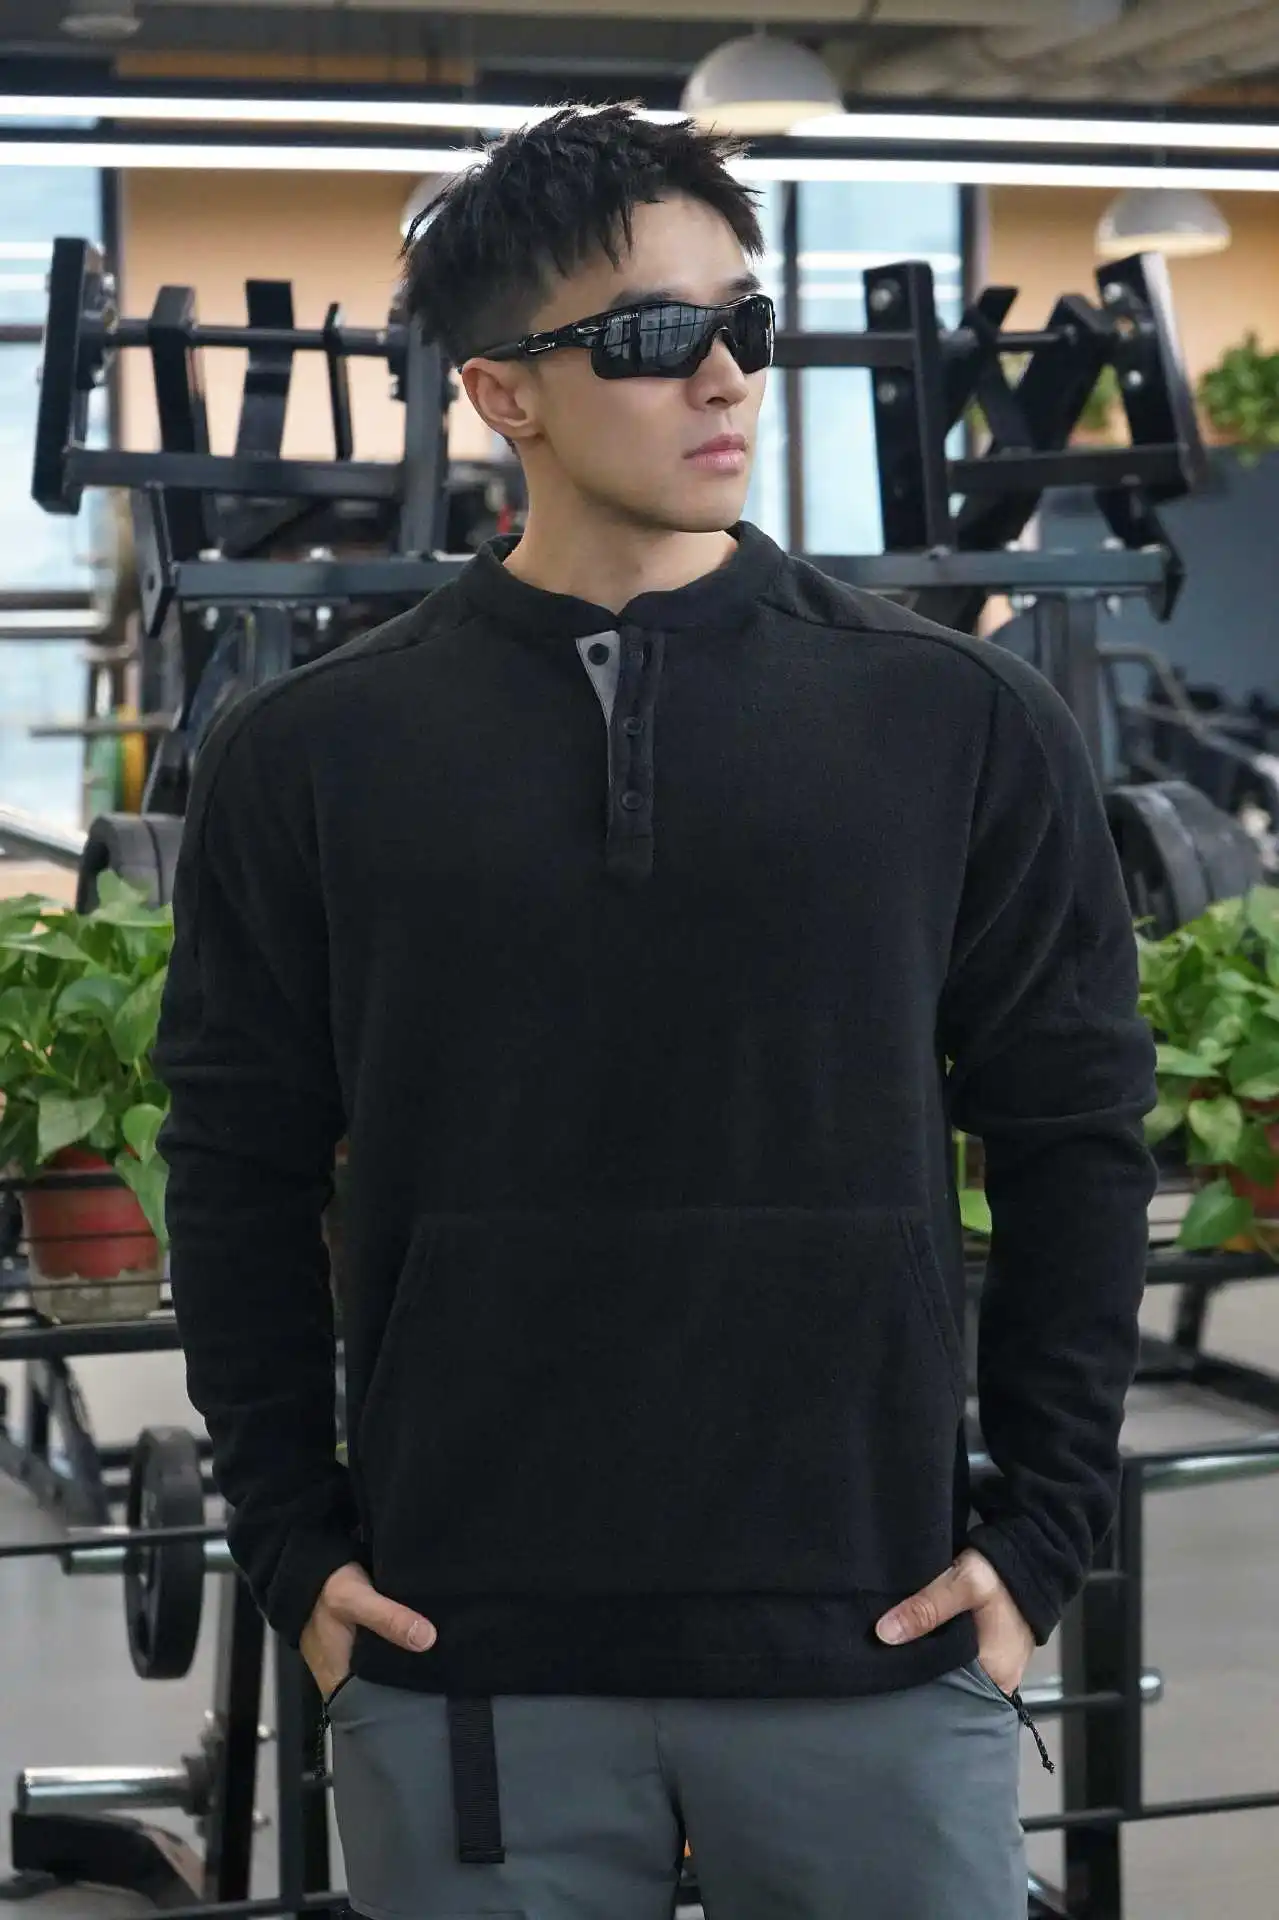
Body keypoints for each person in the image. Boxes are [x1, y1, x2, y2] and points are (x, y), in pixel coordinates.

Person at [153, 102, 1159, 1919]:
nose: (722, 374)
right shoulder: (312, 754)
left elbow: (1074, 1134)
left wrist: (1042, 1535)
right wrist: (291, 1544)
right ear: (501, 393)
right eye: (647, 333)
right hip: (459, 1643)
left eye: (742, 323)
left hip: (877, 1629)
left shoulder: (954, 722)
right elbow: (232, 1164)